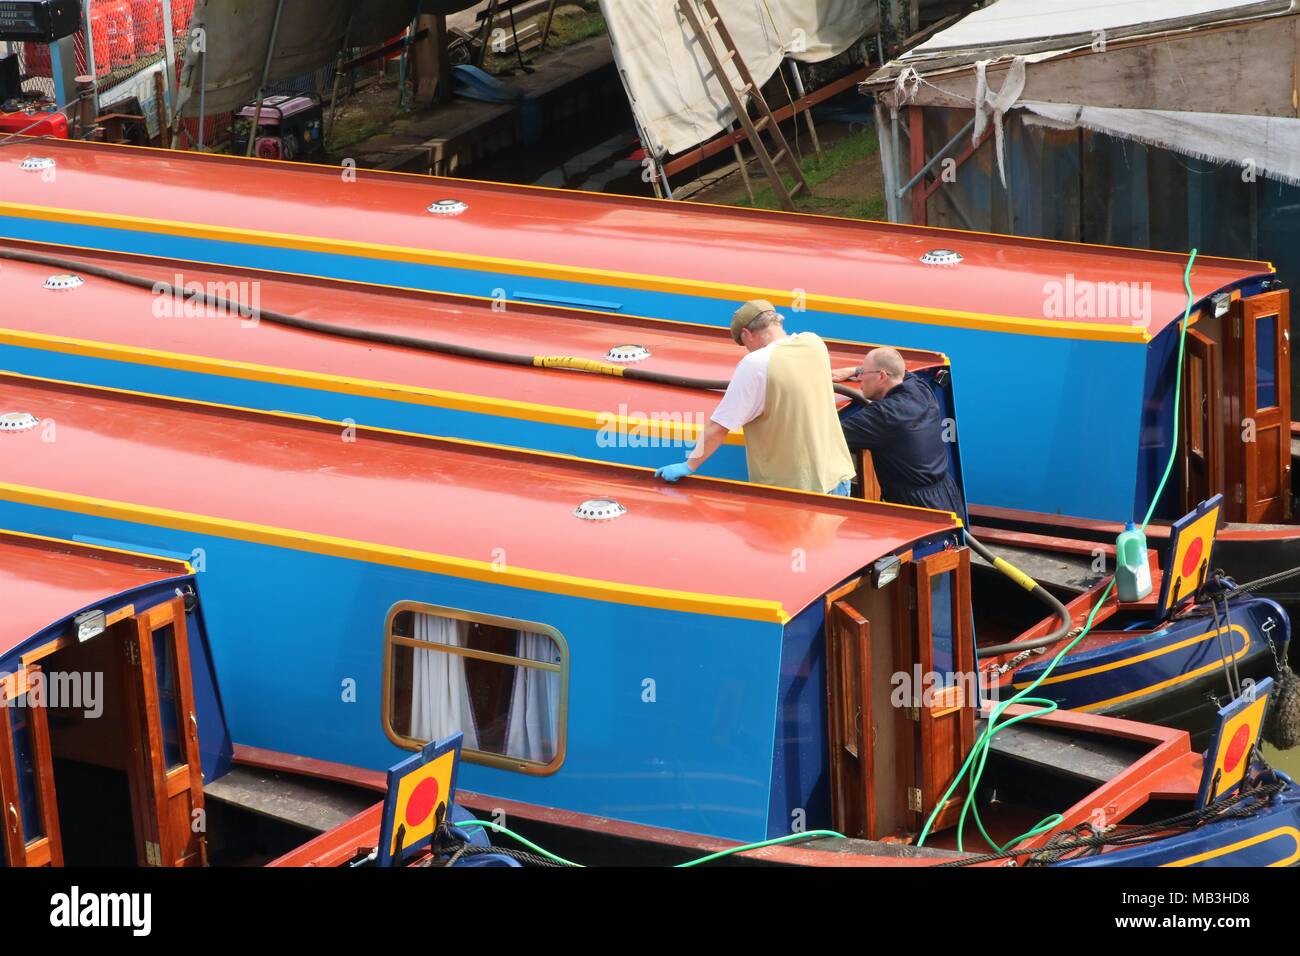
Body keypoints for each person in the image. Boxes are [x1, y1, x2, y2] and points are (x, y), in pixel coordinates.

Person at [655, 300, 856, 495]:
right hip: (837, 477)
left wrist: (689, 465)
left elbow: (719, 426)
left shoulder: (755, 363)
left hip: (794, 489)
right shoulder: (813, 343)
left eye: (744, 343)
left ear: (747, 333)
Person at [833, 347, 966, 515]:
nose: (859, 379)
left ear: (882, 376)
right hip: (948, 496)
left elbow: (829, 435)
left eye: (863, 373)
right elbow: (899, 368)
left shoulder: (885, 415)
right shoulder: (919, 387)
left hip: (917, 508)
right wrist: (854, 370)